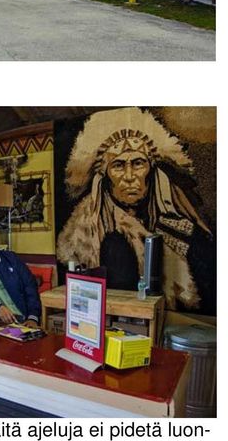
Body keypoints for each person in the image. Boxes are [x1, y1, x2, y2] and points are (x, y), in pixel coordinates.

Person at [56, 108, 214, 312]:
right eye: (118, 166)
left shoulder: (185, 231)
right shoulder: (83, 238)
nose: (129, 176)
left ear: (151, 170)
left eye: (138, 163)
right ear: (105, 176)